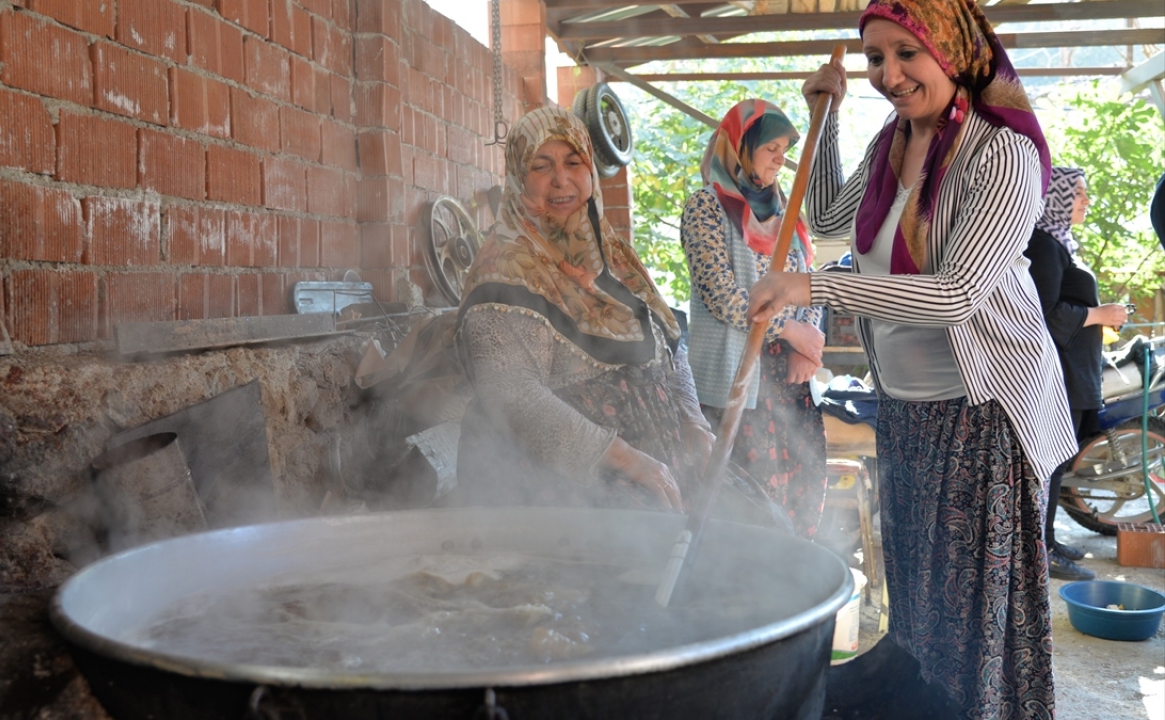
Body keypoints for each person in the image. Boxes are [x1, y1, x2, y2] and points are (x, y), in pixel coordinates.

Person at [748, 0, 1076, 717]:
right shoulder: (892, 145)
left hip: (982, 418)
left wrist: (811, 286)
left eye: (907, 52)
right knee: (923, 611)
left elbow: (956, 294)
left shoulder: (1003, 153)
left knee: (972, 624)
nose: (889, 75)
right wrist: (825, 116)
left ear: (953, 49)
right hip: (906, 410)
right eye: (875, 58)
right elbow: (832, 215)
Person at [453, 107, 785, 527]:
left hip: (657, 454)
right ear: (519, 178)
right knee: (651, 550)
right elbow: (513, 395)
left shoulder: (613, 256)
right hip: (561, 471)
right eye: (541, 167)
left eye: (573, 163)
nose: (561, 180)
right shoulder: (504, 268)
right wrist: (625, 459)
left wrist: (693, 423)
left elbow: (669, 344)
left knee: (764, 524)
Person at [681, 99, 829, 539]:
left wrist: (810, 341)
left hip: (789, 382)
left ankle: (792, 586)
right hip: (738, 382)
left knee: (797, 496)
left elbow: (809, 279)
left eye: (785, 150)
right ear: (740, 147)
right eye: (771, 148)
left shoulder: (787, 215)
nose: (781, 159)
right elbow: (722, 296)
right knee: (746, 507)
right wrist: (791, 330)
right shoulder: (706, 209)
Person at [1025, 166, 1130, 582]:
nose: (1086, 200)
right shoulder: (1044, 247)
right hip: (1058, 374)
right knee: (1049, 465)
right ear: (1056, 197)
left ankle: (1047, 540)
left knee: (1059, 462)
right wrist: (1099, 314)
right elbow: (1044, 316)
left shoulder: (1060, 244)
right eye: (1079, 193)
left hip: (1074, 372)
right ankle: (1040, 552)